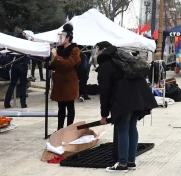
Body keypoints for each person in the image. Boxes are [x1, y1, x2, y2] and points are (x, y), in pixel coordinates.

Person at [95, 41, 158, 172]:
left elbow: (105, 92)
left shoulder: (105, 66)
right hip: (139, 98)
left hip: (123, 99)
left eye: (97, 50)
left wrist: (104, 115)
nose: (95, 53)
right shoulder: (124, 58)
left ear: (103, 50)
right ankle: (131, 161)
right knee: (131, 127)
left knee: (123, 128)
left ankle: (122, 163)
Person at [49, 24, 81, 130]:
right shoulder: (59, 49)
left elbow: (69, 64)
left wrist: (56, 57)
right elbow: (53, 65)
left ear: (67, 38)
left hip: (69, 82)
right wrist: (47, 60)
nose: (59, 39)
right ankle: (60, 129)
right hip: (59, 83)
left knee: (70, 106)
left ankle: (69, 129)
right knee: (61, 107)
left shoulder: (75, 50)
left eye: (61, 37)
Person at [4, 29, 30, 109]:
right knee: (23, 84)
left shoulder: (14, 43)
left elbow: (10, 55)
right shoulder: (26, 43)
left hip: (15, 64)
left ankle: (7, 102)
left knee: (12, 84)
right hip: (23, 65)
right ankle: (23, 103)